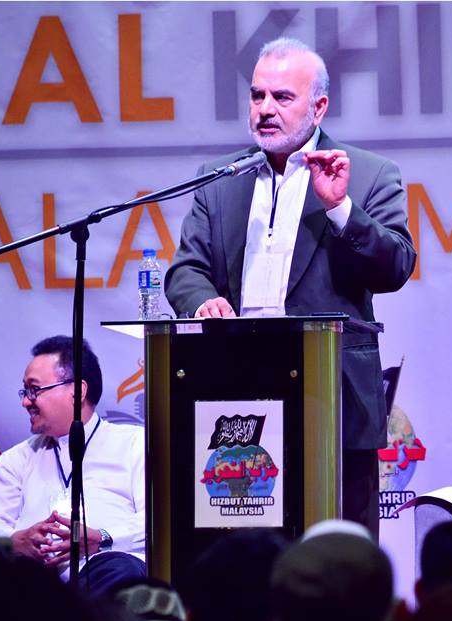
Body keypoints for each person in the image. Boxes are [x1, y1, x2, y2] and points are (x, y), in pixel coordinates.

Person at [164, 37, 416, 536]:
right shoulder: (218, 179)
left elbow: (396, 267)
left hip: (333, 402)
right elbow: (186, 269)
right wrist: (202, 301)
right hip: (235, 401)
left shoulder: (368, 174)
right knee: (242, 556)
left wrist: (341, 209)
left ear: (318, 107)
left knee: (337, 558)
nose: (265, 109)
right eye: (257, 95)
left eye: (282, 97)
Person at [0, 336, 146, 595]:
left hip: (105, 575)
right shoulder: (15, 459)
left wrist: (102, 538)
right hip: (32, 581)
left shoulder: (135, 444)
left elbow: (157, 522)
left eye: (34, 390)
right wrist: (17, 540)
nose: (25, 401)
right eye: (25, 391)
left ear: (77, 392)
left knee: (122, 569)